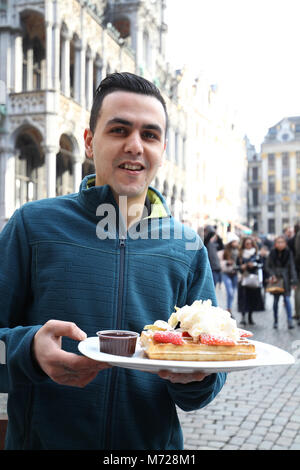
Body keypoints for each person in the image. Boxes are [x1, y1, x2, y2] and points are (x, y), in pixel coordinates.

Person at [0, 72, 226, 450]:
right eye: (119, 130)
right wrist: (29, 352)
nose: (135, 146)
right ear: (89, 142)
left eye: (149, 135)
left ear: (162, 149)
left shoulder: (187, 248)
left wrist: (197, 376)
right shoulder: (32, 226)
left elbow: (209, 379)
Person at [266, 235, 298, 329]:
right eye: (278, 242)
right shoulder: (272, 253)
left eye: (282, 242)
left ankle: (289, 321)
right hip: (276, 281)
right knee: (275, 302)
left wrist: (294, 281)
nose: (280, 244)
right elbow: (267, 266)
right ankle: (275, 321)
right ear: (275, 244)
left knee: (287, 300)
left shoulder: (289, 253)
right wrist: (272, 275)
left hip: (286, 280)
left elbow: (292, 267)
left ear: (285, 243)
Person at [237, 237, 264, 326]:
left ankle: (250, 317)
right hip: (243, 278)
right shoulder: (240, 255)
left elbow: (261, 264)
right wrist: (242, 267)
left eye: (250, 243)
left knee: (252, 298)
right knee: (243, 298)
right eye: (247, 243)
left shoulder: (256, 254)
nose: (248, 245)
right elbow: (237, 266)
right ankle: (243, 317)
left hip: (253, 279)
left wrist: (254, 264)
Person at [219, 232, 240, 317]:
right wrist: (227, 262)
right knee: (230, 292)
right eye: (234, 241)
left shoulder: (239, 251)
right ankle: (228, 308)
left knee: (233, 292)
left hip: (235, 273)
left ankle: (229, 308)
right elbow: (221, 262)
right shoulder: (225, 251)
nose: (236, 243)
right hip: (226, 273)